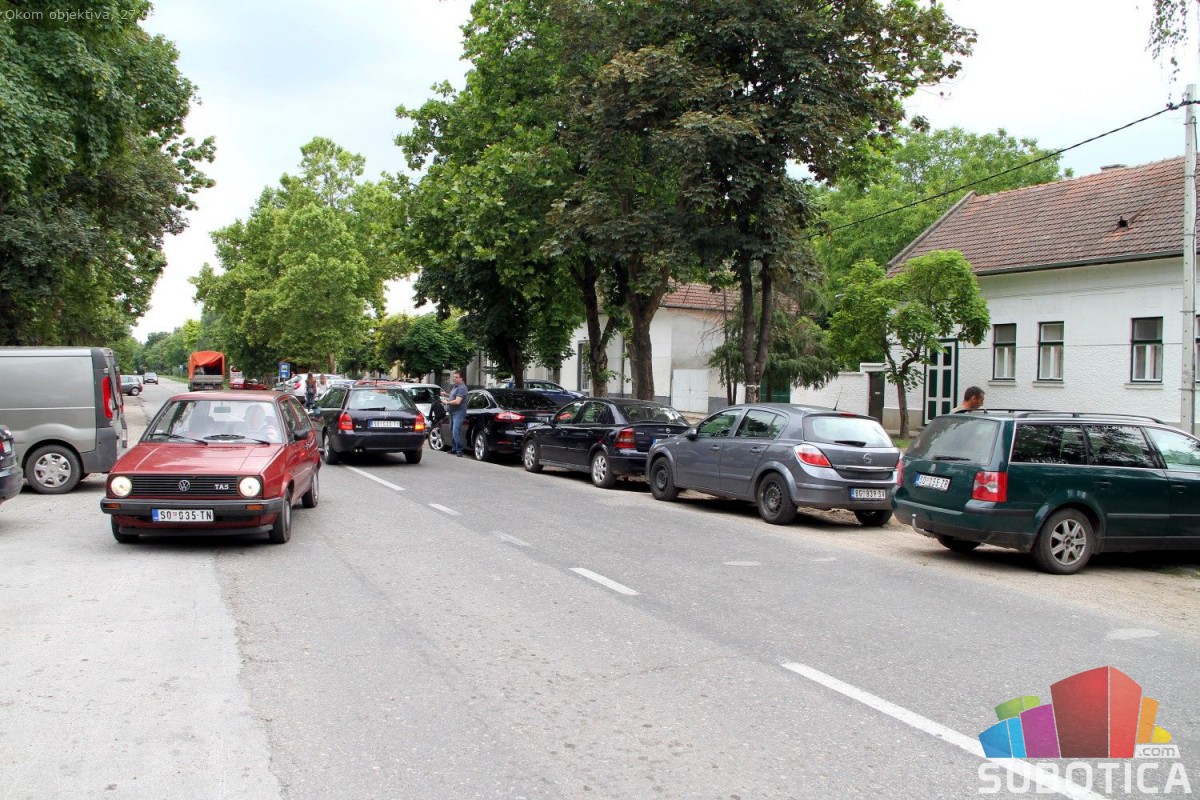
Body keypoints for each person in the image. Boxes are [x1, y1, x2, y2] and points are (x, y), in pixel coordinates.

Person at [446, 370, 468, 456]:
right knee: (453, 429)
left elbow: (457, 401)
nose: (454, 379)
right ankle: (454, 449)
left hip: (459, 412)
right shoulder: (456, 386)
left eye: (456, 377)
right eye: (454, 377)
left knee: (456, 430)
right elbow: (454, 397)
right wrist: (446, 395)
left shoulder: (462, 388)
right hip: (452, 411)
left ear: (461, 378)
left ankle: (459, 450)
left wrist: (447, 402)